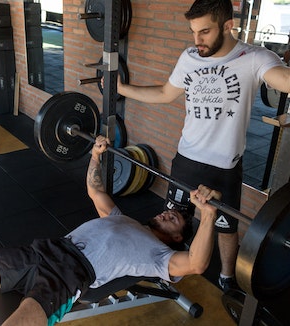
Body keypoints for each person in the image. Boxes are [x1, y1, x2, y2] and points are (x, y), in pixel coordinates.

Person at [0, 135, 222, 326]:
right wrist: (96, 155)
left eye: (172, 220)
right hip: (41, 251)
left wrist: (207, 215)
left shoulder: (159, 257)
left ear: (176, 238)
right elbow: (95, 190)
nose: (165, 213)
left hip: (66, 277)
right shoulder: (120, 218)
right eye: (167, 211)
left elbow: (197, 263)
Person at [115, 0, 290, 292]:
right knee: (171, 219)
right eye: (193, 32)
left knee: (226, 228)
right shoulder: (189, 57)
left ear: (228, 26)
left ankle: (226, 277)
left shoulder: (254, 57)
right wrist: (121, 89)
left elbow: (283, 80)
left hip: (224, 167)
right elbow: (164, 93)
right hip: (186, 159)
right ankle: (165, 265)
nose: (197, 41)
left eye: (205, 32)